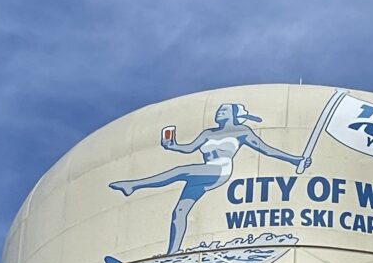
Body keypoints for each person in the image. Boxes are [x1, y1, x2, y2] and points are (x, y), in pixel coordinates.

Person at [109, 103, 311, 254]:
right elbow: (188, 149)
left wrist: (295, 160)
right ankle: (172, 252)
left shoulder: (242, 131)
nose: (219, 112)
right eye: (219, 110)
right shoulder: (208, 133)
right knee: (179, 211)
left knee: (181, 171)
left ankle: (133, 185)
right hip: (204, 171)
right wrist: (172, 145)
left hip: (220, 170)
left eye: (224, 109)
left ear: (234, 114)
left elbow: (266, 150)